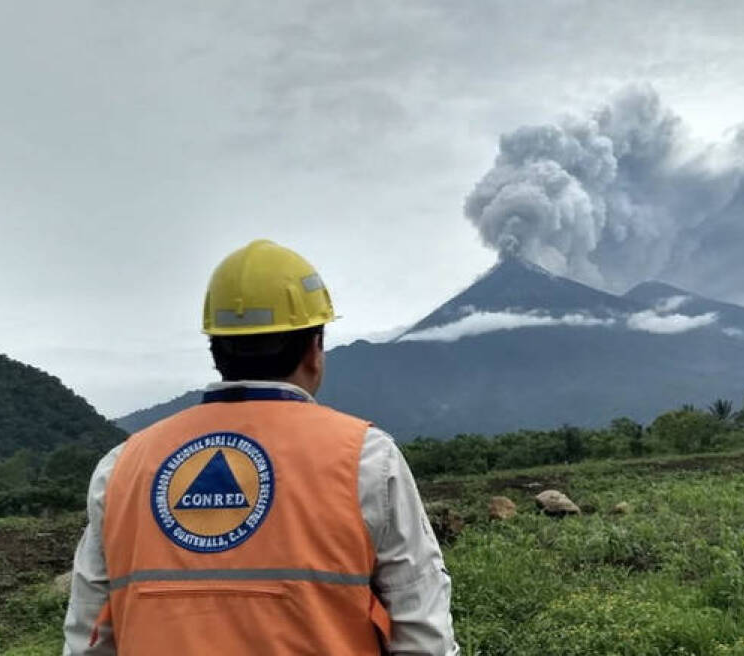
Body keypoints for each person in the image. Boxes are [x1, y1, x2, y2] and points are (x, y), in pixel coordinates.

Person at [63, 239, 459, 655]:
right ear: (314, 347)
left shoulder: (123, 466)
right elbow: (423, 635)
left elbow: (88, 639)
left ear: (215, 349)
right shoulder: (365, 458)